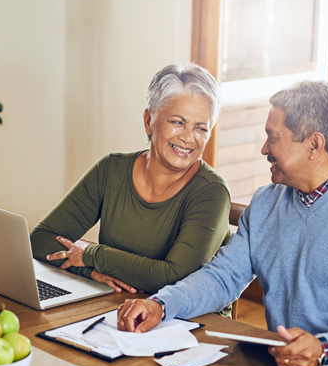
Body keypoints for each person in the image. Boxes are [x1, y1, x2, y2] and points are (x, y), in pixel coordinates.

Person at [116, 80, 328, 366]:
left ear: (314, 144)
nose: (264, 148)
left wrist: (324, 350)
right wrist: (162, 304)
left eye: (273, 136)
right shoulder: (266, 202)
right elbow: (222, 277)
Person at [30, 64, 231, 296]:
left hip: (188, 320)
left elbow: (174, 277)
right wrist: (90, 272)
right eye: (177, 122)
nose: (188, 137)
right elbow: (40, 240)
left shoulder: (212, 192)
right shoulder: (111, 169)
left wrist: (91, 254)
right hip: (115, 305)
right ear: (149, 120)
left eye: (201, 128)